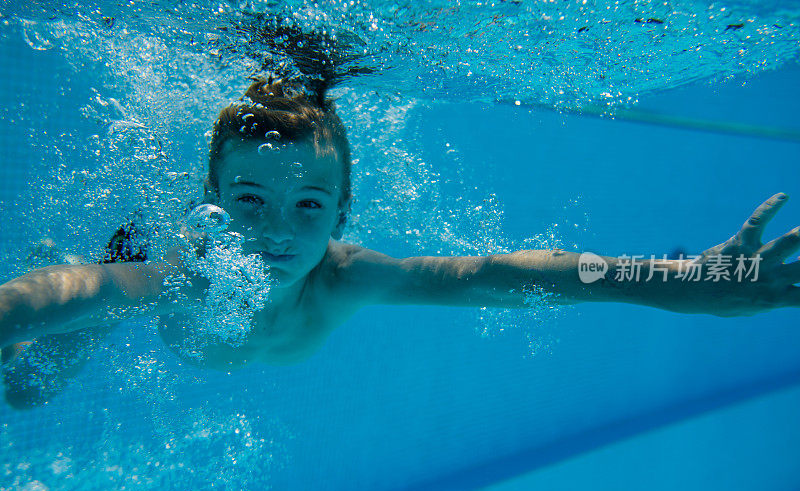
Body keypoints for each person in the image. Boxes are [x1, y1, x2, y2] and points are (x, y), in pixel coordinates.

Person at [1, 76, 799, 409]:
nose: (278, 230)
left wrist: (676, 278)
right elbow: (75, 290)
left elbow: (498, 273)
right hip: (137, 267)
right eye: (247, 200)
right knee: (35, 384)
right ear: (211, 201)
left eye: (308, 205)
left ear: (342, 213)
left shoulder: (348, 278)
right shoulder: (176, 279)